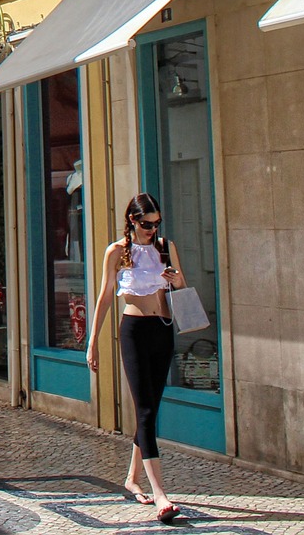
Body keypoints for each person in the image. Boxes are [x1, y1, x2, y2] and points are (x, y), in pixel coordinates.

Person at [86, 193, 188, 525]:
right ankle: (161, 496)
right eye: (147, 224)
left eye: (157, 224)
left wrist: (175, 281)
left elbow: (182, 287)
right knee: (144, 411)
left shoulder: (165, 247)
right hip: (133, 333)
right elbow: (103, 297)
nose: (152, 230)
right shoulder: (116, 252)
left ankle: (132, 479)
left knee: (151, 410)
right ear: (132, 220)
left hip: (162, 330)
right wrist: (93, 342)